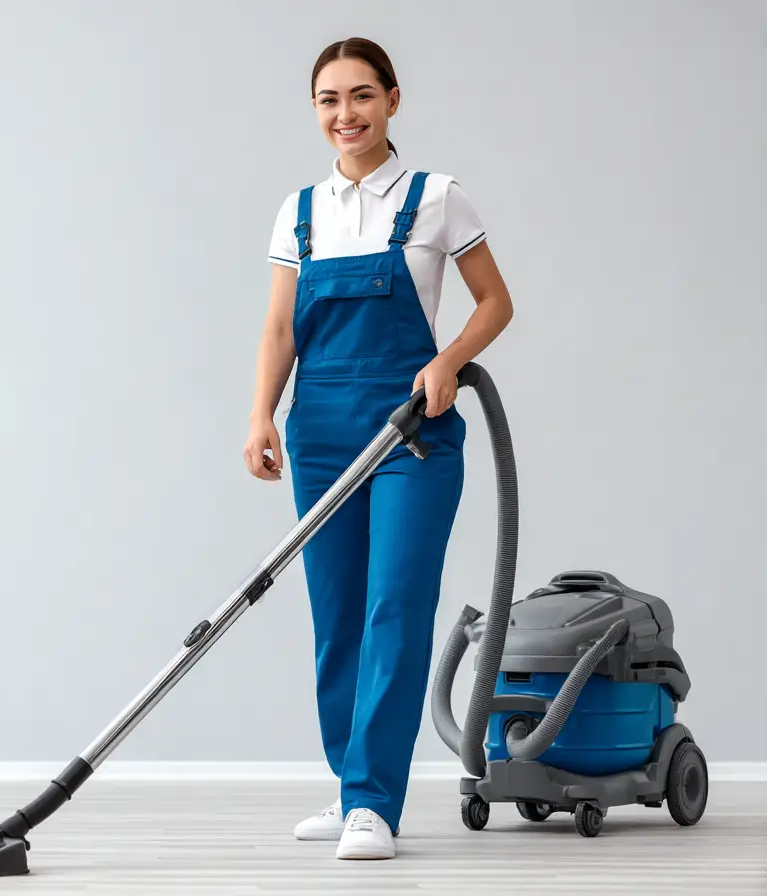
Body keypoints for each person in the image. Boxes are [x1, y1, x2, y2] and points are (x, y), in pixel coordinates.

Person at [243, 37, 514, 860]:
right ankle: (350, 784)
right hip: (320, 431)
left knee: (395, 607)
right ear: (316, 110)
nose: (345, 114)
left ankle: (372, 803)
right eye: (329, 99)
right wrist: (260, 416)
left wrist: (448, 359)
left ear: (393, 100)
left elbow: (496, 302)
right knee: (337, 618)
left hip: (411, 431)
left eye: (361, 96)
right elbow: (282, 328)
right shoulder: (299, 211)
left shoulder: (436, 198)